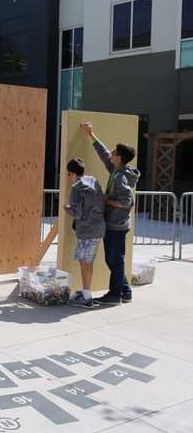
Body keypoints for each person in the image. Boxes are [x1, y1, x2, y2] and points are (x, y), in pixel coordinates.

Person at [80, 122, 140, 305]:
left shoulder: (121, 177)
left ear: (119, 158)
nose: (111, 154)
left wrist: (105, 201)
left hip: (116, 225)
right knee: (115, 260)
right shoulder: (116, 170)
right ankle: (126, 291)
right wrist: (91, 134)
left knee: (114, 261)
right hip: (116, 224)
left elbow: (127, 201)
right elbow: (103, 152)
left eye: (114, 152)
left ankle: (115, 295)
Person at [63, 157, 106, 308]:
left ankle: (87, 296)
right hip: (98, 227)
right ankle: (85, 292)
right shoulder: (93, 181)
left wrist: (67, 208)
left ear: (72, 173)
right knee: (88, 261)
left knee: (84, 262)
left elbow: (78, 213)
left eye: (69, 174)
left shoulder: (76, 188)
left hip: (86, 229)